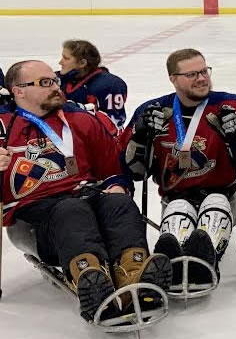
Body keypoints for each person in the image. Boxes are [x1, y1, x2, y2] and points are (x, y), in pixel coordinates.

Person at [1, 61, 170, 323]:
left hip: (87, 202)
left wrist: (116, 186)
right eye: (44, 83)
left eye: (54, 81)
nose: (55, 87)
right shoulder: (3, 127)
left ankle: (135, 276)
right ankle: (89, 280)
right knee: (71, 209)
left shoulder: (82, 120)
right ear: (18, 91)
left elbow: (113, 169)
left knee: (119, 204)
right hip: (33, 218)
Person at [120, 49, 236, 289]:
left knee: (215, 206)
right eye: (192, 74)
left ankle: (204, 265)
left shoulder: (234, 106)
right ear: (173, 79)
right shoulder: (152, 112)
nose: (201, 78)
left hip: (224, 197)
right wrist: (140, 136)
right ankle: (175, 265)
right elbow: (135, 171)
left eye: (204, 71)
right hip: (175, 198)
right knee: (178, 210)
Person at [58, 39, 129, 126]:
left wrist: (78, 110)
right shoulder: (56, 79)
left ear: (82, 63)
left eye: (66, 58)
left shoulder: (110, 85)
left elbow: (115, 123)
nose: (60, 62)